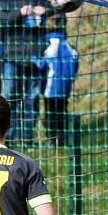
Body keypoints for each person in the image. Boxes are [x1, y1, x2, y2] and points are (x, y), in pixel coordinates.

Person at [0, 0, 61, 145]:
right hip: (13, 56)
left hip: (36, 56)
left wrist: (46, 12)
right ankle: (6, 137)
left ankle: (26, 138)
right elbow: (0, 21)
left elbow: (61, 15)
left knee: (32, 98)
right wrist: (19, 13)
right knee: (9, 97)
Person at [39, 16, 79, 147]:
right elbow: (75, 62)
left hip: (51, 87)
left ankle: (52, 140)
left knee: (50, 113)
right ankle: (62, 139)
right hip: (65, 87)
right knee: (62, 111)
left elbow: (41, 65)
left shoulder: (47, 44)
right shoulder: (68, 45)